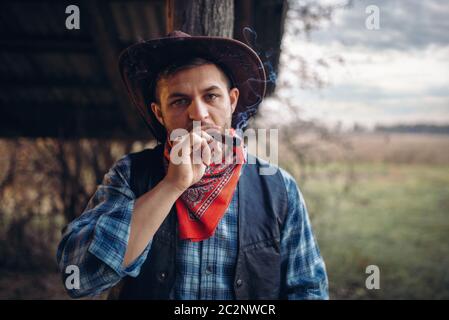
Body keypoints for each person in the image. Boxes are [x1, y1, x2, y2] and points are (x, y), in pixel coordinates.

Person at [56, 31, 328, 300]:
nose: (198, 113)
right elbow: (80, 278)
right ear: (159, 113)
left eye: (211, 96)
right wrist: (172, 185)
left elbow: (308, 290)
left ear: (232, 101)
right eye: (179, 101)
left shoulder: (278, 187)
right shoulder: (129, 175)